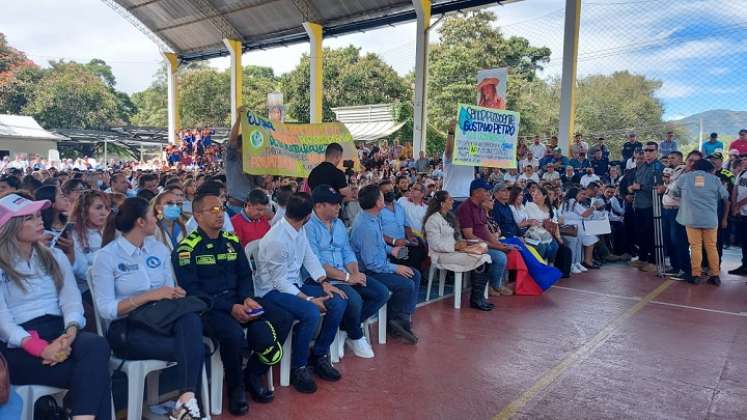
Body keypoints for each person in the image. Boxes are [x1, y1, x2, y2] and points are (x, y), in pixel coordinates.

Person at [173, 191, 292, 414]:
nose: (220, 214)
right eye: (213, 210)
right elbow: (193, 291)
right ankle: (235, 388)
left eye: (222, 208)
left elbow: (245, 275)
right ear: (197, 215)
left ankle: (253, 374)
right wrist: (230, 308)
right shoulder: (187, 248)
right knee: (234, 335)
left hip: (240, 301)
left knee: (282, 317)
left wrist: (246, 298)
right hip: (210, 309)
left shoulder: (230, 241)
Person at [0, 193, 113, 420]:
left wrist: (69, 334)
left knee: (97, 346)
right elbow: (4, 323)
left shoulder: (55, 256)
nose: (40, 221)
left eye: (39, 215)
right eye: (29, 218)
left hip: (59, 330)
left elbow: (71, 301)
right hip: (19, 343)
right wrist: (41, 348)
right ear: (10, 227)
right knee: (94, 374)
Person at [91, 197, 204, 419]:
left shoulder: (158, 249)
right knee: (194, 346)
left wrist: (173, 293)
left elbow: (168, 288)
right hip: (127, 328)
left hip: (162, 319)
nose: (157, 218)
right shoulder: (106, 257)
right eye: (153, 215)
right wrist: (149, 295)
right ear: (141, 222)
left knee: (190, 319)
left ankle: (186, 400)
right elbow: (106, 309)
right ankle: (187, 404)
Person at [254, 192, 348, 393]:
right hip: (271, 291)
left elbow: (308, 255)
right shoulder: (276, 239)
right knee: (311, 312)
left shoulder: (299, 229)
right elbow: (278, 281)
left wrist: (324, 282)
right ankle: (299, 366)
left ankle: (320, 355)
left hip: (293, 284)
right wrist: (309, 298)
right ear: (307, 216)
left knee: (338, 301)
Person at [305, 185, 389, 357]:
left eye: (339, 203)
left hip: (345, 274)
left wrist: (355, 273)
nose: (339, 207)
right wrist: (348, 277)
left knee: (381, 292)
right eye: (334, 204)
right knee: (355, 299)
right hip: (323, 279)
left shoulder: (339, 224)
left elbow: (347, 251)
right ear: (319, 206)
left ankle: (346, 328)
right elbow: (316, 262)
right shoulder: (308, 227)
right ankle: (356, 335)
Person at [350, 184, 420, 344]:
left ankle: (401, 319)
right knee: (406, 283)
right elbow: (372, 264)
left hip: (379, 263)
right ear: (377, 202)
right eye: (382, 196)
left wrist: (392, 250)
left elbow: (378, 244)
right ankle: (396, 322)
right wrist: (396, 267)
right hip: (369, 272)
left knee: (415, 274)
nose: (386, 197)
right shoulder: (366, 226)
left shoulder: (372, 217)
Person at [423, 190, 493, 310]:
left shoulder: (450, 217)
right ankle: (476, 299)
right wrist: (454, 247)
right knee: (481, 259)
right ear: (442, 203)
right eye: (449, 199)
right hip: (441, 255)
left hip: (455, 251)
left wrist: (463, 244)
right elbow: (434, 244)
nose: (452, 201)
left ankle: (478, 297)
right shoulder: (432, 220)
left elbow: (456, 237)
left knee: (485, 256)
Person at [670, 159, 728, 285]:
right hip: (710, 219)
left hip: (691, 218)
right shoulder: (715, 179)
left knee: (695, 247)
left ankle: (695, 275)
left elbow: (673, 191)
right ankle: (715, 275)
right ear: (708, 169)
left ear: (695, 167)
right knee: (712, 247)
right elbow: (724, 196)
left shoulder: (685, 177)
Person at [458, 179, 512, 296]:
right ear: (476, 192)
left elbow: (486, 231)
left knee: (507, 250)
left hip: (483, 244)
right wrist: (496, 247)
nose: (488, 193)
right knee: (500, 256)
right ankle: (494, 286)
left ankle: (496, 284)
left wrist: (499, 245)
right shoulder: (465, 208)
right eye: (485, 190)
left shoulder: (480, 207)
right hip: (470, 245)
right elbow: (469, 236)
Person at [628, 142, 664, 273]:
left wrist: (641, 187)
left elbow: (659, 187)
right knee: (641, 234)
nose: (647, 153)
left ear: (656, 151)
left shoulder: (659, 167)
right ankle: (642, 259)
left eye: (650, 150)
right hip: (638, 204)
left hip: (652, 206)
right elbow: (636, 182)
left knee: (652, 235)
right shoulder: (642, 166)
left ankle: (654, 261)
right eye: (645, 150)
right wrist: (633, 187)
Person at [69, 190, 112, 297]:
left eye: (107, 208)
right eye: (98, 208)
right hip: (88, 291)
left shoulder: (114, 231)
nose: (104, 213)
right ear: (84, 210)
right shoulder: (73, 235)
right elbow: (82, 271)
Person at [379, 181, 426, 270]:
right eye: (386, 192)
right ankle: (407, 276)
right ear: (380, 194)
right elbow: (376, 233)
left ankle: (413, 276)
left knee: (420, 249)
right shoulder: (378, 210)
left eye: (391, 190)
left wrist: (410, 236)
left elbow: (406, 224)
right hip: (389, 246)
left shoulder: (399, 206)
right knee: (411, 255)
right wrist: (394, 241)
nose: (389, 193)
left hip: (403, 243)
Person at [560, 187, 600, 272]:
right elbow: (585, 214)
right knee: (574, 245)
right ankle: (571, 264)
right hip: (570, 228)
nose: (581, 196)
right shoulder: (572, 201)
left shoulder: (573, 202)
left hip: (577, 227)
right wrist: (594, 207)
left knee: (578, 244)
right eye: (580, 194)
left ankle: (577, 263)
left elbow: (585, 215)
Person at [525, 187, 561, 262]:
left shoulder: (549, 207)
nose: (535, 195)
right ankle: (541, 265)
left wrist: (558, 236)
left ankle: (550, 265)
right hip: (533, 233)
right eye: (534, 193)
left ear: (544, 196)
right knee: (543, 247)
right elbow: (530, 221)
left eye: (538, 194)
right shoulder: (529, 205)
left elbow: (554, 222)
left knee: (555, 246)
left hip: (547, 233)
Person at [443, 121, 475, 202]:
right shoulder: (451, 153)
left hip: (469, 198)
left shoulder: (472, 152)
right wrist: (450, 133)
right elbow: (449, 151)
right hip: (452, 197)